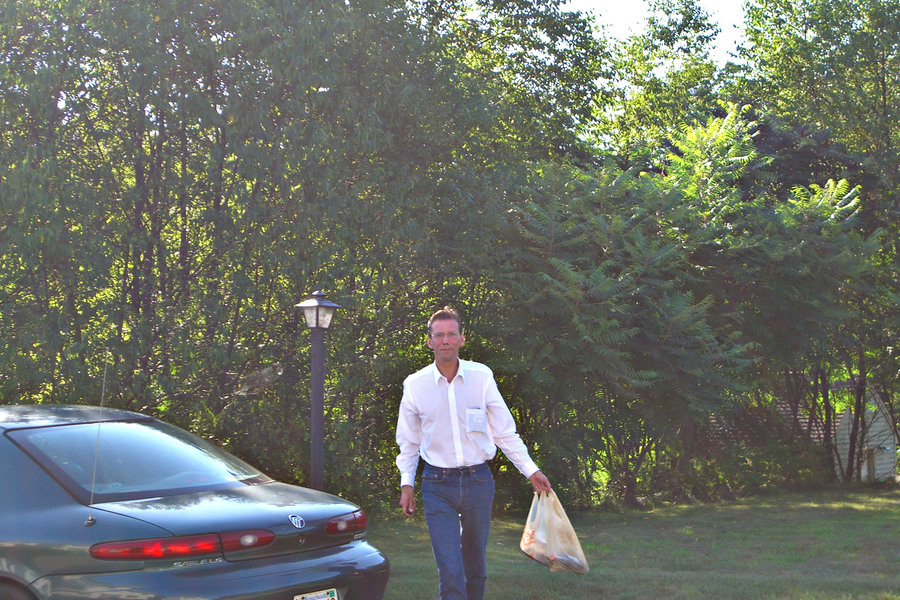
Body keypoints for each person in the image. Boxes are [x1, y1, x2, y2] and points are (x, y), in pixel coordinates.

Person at [395, 306, 552, 600]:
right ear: (429, 341)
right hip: (437, 485)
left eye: (451, 334)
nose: (445, 340)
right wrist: (407, 484)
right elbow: (409, 441)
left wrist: (531, 470)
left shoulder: (481, 377)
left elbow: (504, 432)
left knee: (475, 567)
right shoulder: (415, 385)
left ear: (462, 339)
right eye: (439, 335)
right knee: (450, 569)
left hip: (478, 482)